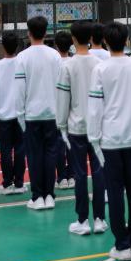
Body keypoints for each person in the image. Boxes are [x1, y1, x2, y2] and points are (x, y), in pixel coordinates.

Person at [87, 21, 131, 261]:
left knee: (114, 192)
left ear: (105, 41)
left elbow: (95, 108)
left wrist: (94, 137)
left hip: (110, 140)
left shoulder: (100, 70)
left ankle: (122, 243)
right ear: (126, 40)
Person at [56, 19, 108, 236]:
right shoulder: (100, 64)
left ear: (73, 39)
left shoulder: (67, 66)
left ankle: (83, 220)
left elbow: (62, 99)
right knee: (99, 172)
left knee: (79, 174)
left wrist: (61, 124)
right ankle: (100, 219)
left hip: (76, 128)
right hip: (98, 127)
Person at [16, 14, 62, 211]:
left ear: (29, 33)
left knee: (34, 156)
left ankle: (37, 196)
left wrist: (20, 115)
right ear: (45, 32)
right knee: (51, 154)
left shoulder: (22, 57)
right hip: (52, 113)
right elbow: (61, 86)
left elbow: (20, 90)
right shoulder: (55, 56)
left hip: (32, 115)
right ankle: (49, 195)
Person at [0, 32, 27, 195]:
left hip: (3, 116)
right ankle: (19, 183)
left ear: (3, 46)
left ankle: (7, 183)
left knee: (5, 150)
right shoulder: (23, 64)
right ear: (17, 46)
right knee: (20, 149)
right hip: (21, 114)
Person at [53, 29, 74, 189]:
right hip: (73, 108)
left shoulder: (54, 64)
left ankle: (61, 177)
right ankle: (72, 176)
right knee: (71, 143)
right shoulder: (74, 62)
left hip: (57, 107)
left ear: (56, 45)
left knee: (59, 144)